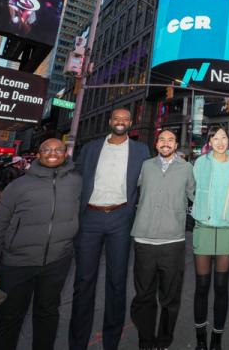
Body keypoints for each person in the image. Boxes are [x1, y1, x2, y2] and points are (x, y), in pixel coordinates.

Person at [0, 138, 81, 350]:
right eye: (47, 149)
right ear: (38, 155)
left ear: (65, 154)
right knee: (9, 321)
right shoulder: (17, 186)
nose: (53, 153)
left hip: (57, 262)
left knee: (48, 315)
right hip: (16, 265)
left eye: (58, 149)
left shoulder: (77, 182)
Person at [69, 108, 150, 350]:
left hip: (121, 218)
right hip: (90, 218)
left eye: (125, 119)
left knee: (117, 281)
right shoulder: (91, 148)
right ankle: (77, 342)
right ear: (110, 121)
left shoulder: (141, 150)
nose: (121, 122)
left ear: (131, 123)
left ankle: (111, 342)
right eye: (117, 118)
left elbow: (150, 181)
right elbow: (76, 180)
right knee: (84, 281)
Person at [130, 130, 195, 350]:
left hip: (172, 241)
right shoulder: (146, 166)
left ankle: (164, 341)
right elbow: (130, 190)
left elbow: (195, 195)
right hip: (144, 239)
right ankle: (146, 341)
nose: (166, 143)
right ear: (156, 144)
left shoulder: (187, 168)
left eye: (170, 140)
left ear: (176, 144)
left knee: (170, 297)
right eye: (162, 140)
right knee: (144, 295)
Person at [191, 125, 229, 350]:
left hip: (226, 229)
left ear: (228, 141)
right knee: (202, 286)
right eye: (216, 137)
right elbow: (192, 189)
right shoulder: (200, 163)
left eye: (224, 137)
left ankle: (217, 338)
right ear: (209, 141)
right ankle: (200, 338)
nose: (220, 141)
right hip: (203, 226)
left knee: (221, 286)